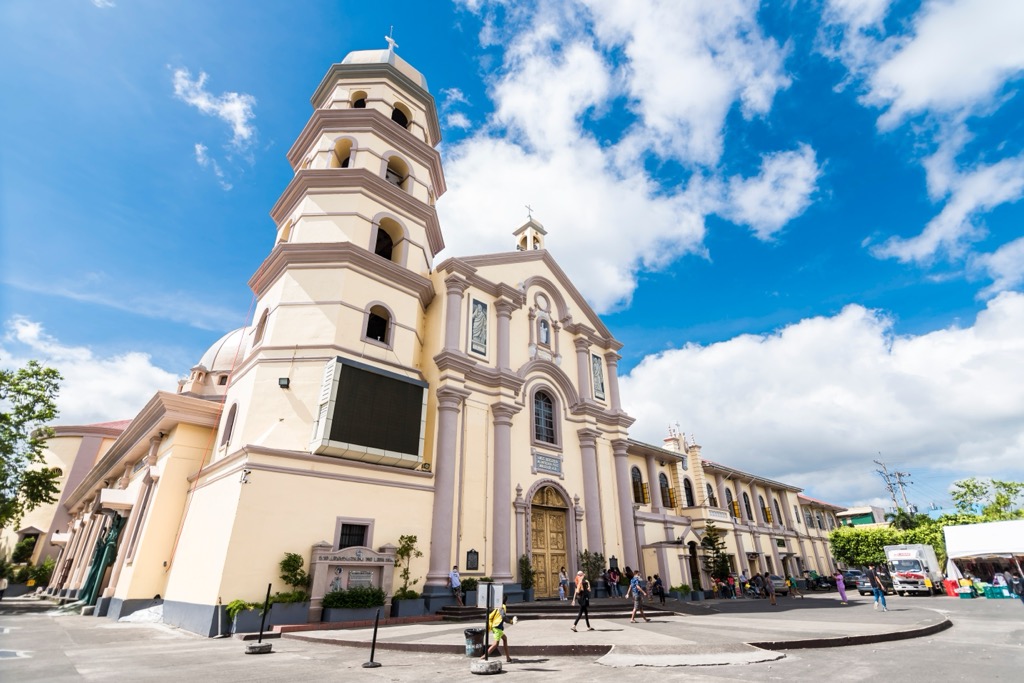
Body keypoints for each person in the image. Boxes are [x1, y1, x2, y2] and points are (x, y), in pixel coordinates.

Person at [481, 595, 514, 663]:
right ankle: (484, 657)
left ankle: (508, 658)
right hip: (497, 627)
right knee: (495, 644)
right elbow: (503, 617)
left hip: (496, 627)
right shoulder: (502, 607)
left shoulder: (498, 607)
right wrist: (511, 621)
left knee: (505, 639)